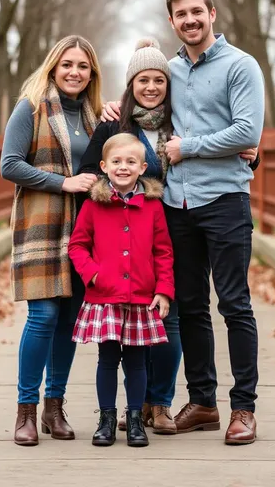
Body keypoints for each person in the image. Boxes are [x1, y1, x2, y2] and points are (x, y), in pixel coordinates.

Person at [101, 0, 265, 445]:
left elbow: (247, 130)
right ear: (171, 21)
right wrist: (116, 107)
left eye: (197, 11)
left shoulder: (241, 66)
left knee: (235, 304)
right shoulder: (168, 69)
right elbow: (144, 100)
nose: (190, 20)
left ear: (212, 13)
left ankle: (244, 409)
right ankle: (203, 402)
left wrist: (188, 147)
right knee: (191, 307)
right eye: (181, 15)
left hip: (225, 200)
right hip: (176, 205)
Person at [77, 37, 182, 435]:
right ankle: (116, 414)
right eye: (142, 80)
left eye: (159, 80)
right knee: (112, 354)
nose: (151, 87)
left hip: (170, 221)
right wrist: (95, 270)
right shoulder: (114, 121)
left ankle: (158, 404)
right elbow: (91, 173)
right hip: (116, 236)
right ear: (130, 84)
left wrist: (250, 150)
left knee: (169, 322)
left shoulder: (181, 118)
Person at [1, 35, 101, 446]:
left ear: (91, 73)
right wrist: (65, 183)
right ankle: (25, 411)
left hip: (86, 231)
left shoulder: (96, 117)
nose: (74, 72)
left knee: (70, 321)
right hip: (41, 225)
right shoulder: (31, 107)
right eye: (67, 65)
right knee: (42, 316)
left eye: (82, 66)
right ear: (53, 68)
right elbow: (10, 164)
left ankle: (53, 408)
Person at [69, 133, 175, 448]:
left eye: (131, 162)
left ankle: (134, 420)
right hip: (105, 297)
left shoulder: (153, 206)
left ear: (143, 167)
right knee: (107, 359)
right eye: (116, 161)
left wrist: (164, 289)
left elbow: (164, 251)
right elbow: (77, 246)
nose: (123, 167)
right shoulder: (93, 204)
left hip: (142, 297)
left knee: (137, 362)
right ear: (104, 166)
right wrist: (94, 275)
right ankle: (106, 418)